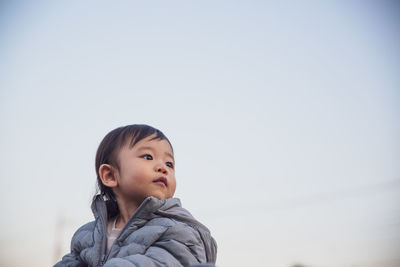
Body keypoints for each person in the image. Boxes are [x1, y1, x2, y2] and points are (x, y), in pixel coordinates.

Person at [54, 124, 217, 267]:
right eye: (148, 157)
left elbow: (161, 263)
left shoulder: (178, 229)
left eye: (169, 163)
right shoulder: (88, 234)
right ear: (110, 175)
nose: (163, 167)